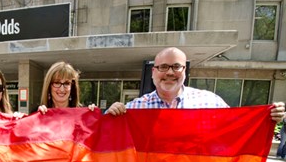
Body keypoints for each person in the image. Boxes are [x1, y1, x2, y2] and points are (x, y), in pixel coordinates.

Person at [106, 47, 285, 123]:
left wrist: (267, 117)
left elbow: (238, 125)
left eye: (176, 66)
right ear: (154, 72)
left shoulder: (210, 102)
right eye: (163, 67)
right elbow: (107, 134)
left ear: (185, 71)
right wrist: (111, 114)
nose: (169, 72)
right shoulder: (136, 107)